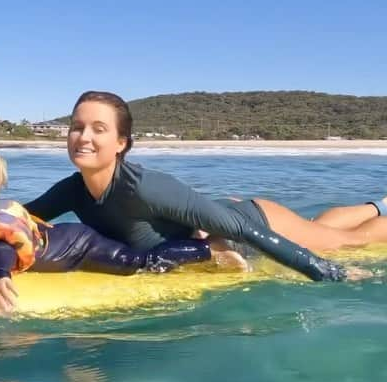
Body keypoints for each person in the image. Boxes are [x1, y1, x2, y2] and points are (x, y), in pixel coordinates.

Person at [24, 91, 387, 283]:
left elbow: (243, 229)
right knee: (320, 229)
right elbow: (19, 217)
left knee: (347, 243)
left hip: (252, 222)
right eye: (76, 126)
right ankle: (377, 205)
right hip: (221, 216)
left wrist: (323, 271)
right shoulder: (71, 189)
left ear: (122, 142)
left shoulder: (146, 187)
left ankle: (378, 213)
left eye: (98, 129)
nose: (83, 137)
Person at [0, 143, 238, 314]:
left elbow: (2, 250)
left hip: (80, 246)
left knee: (140, 264)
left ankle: (210, 250)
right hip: (59, 238)